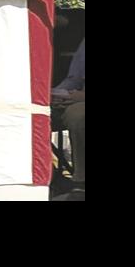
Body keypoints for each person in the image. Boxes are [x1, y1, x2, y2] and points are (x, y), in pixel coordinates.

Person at [51, 39, 85, 195]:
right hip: (76, 96)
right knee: (39, 112)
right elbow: (73, 79)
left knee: (77, 115)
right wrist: (56, 94)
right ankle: (49, 175)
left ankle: (80, 181)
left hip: (81, 101)